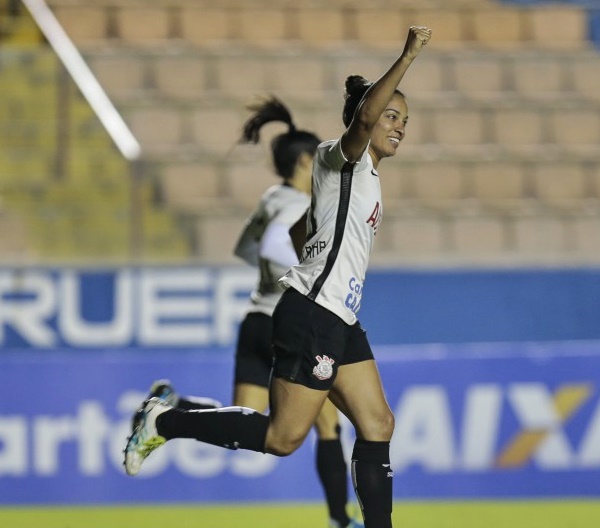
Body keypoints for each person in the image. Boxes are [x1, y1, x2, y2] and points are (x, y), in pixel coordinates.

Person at [123, 26, 433, 528]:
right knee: (282, 439)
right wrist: (407, 57)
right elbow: (365, 118)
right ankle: (166, 421)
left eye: (406, 120)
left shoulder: (366, 178)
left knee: (378, 423)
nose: (399, 126)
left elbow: (305, 233)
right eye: (391, 116)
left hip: (338, 316)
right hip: (313, 314)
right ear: (364, 120)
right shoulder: (341, 157)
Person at [140, 95, 360, 528]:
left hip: (256, 318)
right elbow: (279, 242)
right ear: (302, 163)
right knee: (326, 424)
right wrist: (302, 271)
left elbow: (246, 248)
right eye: (318, 164)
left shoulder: (270, 198)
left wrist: (272, 270)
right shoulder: (297, 204)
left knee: (249, 417)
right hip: (291, 324)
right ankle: (340, 518)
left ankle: (175, 406)